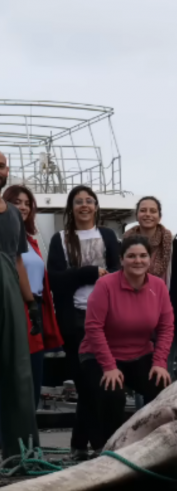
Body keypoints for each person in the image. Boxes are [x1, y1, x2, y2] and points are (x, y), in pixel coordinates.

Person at [79, 235, 174, 453]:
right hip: (99, 355)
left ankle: (155, 446)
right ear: (121, 260)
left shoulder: (158, 287)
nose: (137, 261)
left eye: (143, 256)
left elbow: (167, 327)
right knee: (113, 393)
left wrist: (160, 362)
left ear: (150, 259)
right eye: (131, 256)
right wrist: (109, 367)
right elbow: (93, 327)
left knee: (162, 387)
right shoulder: (105, 285)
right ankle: (108, 450)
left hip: (139, 353)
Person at [47, 185, 121, 461]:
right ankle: (100, 445)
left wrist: (89, 276)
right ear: (71, 208)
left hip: (106, 319)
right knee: (86, 384)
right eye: (78, 202)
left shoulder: (108, 235)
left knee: (102, 384)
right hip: (75, 320)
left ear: (96, 207)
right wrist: (90, 272)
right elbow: (55, 280)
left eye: (89, 201)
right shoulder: (60, 239)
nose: (84, 205)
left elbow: (117, 273)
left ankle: (80, 443)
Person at [3, 185, 65, 408]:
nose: (23, 207)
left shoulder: (31, 240)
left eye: (27, 203)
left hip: (35, 309)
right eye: (17, 202)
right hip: (13, 307)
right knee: (15, 377)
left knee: (34, 376)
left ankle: (28, 435)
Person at [0, 152, 42, 457]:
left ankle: (20, 453)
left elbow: (17, 260)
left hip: (10, 292)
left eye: (1, 164)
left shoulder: (14, 215)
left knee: (17, 371)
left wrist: (31, 304)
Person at [123, 196, 177, 381]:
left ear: (159, 216)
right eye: (143, 210)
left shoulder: (173, 245)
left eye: (152, 211)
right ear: (137, 214)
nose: (147, 214)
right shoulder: (125, 243)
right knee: (141, 374)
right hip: (134, 318)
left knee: (164, 369)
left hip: (165, 316)